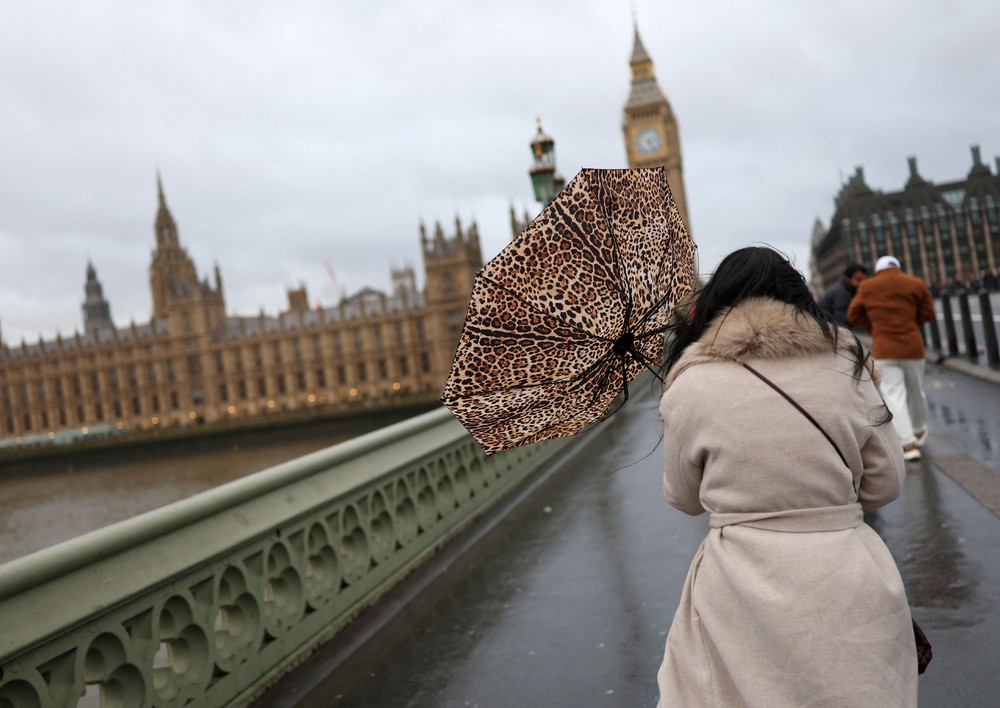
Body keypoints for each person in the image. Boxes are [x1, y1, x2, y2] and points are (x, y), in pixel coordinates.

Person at [656, 247, 915, 707]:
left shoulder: (689, 383)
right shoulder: (847, 365)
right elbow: (887, 483)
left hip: (737, 585)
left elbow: (684, 498)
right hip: (845, 573)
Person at [847, 255, 935, 461]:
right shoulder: (915, 283)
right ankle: (919, 429)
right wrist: (910, 323)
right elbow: (928, 313)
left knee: (894, 394)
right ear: (898, 267)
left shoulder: (868, 287)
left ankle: (908, 444)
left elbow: (853, 314)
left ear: (877, 270)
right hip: (912, 346)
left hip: (884, 347)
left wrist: (874, 327)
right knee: (916, 390)